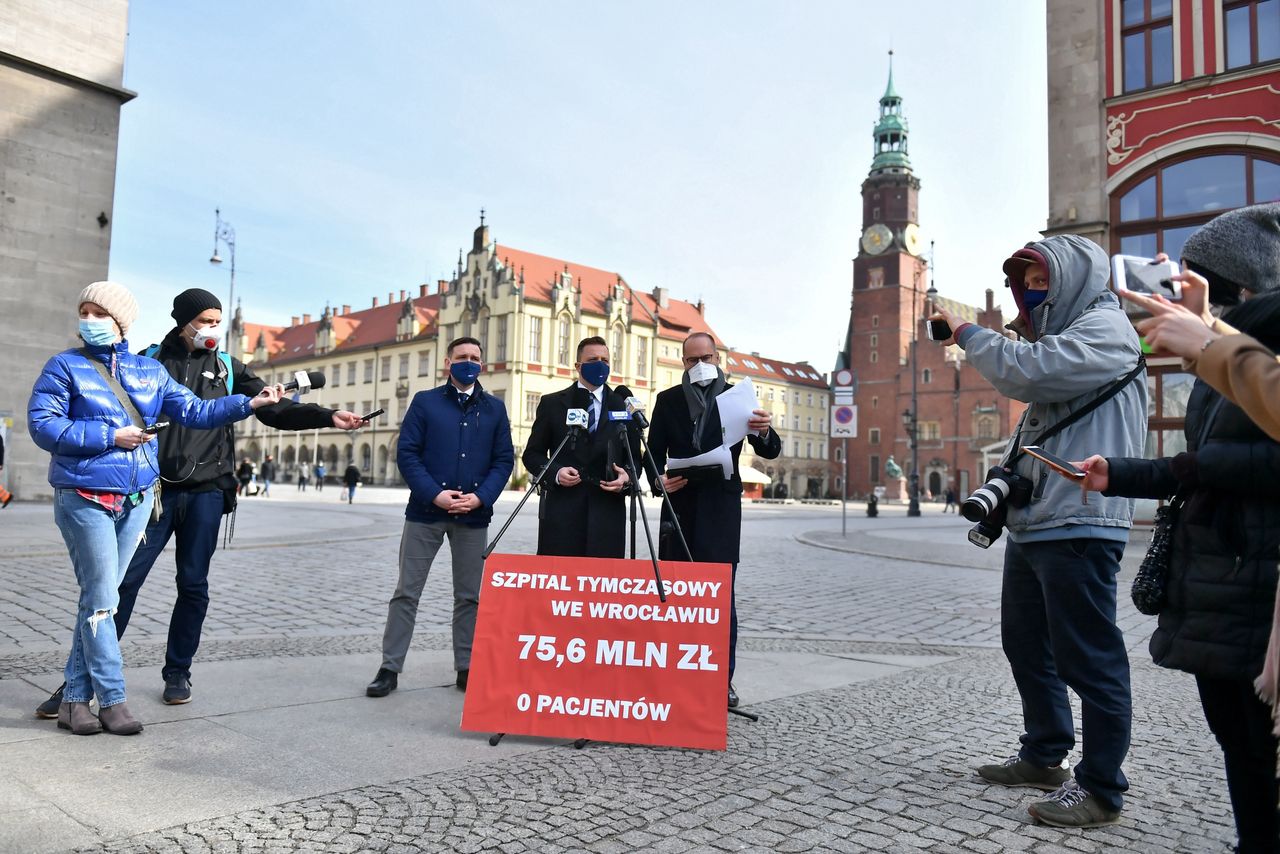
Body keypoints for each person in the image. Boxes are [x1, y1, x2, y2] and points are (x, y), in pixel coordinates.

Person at [32, 287, 362, 717]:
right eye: (204, 319)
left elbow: (271, 407)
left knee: (193, 585)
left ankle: (177, 671)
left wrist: (325, 415)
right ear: (183, 320)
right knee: (119, 585)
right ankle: (84, 681)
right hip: (154, 491)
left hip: (207, 489)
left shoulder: (227, 367)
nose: (211, 328)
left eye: (216, 320)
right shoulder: (148, 361)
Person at [931, 235, 1148, 829]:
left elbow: (1029, 373)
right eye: (1024, 283)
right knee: (1027, 643)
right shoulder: (1070, 336)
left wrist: (971, 333)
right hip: (1039, 521)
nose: (1031, 294)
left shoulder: (1105, 331)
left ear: (1073, 278)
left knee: (1089, 657)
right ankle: (1044, 752)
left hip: (1080, 519)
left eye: (1041, 281)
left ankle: (1101, 787)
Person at [1078, 291, 1280, 854]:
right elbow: (1191, 462)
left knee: (1260, 741)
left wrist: (1213, 342)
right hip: (1217, 567)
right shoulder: (1228, 348)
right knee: (1238, 738)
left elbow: (1221, 461)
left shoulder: (1247, 345)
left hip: (1255, 568)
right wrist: (1117, 474)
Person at [366, 337, 513, 697]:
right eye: (462, 357)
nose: (469, 362)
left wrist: (481, 498)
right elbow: (408, 454)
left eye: (475, 357)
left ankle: (466, 667)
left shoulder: (494, 409)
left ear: (482, 363)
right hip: (425, 512)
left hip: (473, 517)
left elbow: (504, 460)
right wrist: (435, 493)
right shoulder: (425, 402)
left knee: (469, 597)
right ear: (448, 362)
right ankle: (389, 668)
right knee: (406, 592)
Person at [644, 331, 780, 709]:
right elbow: (652, 455)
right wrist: (658, 480)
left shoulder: (738, 396)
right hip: (679, 508)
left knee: (721, 601)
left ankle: (723, 682)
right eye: (691, 359)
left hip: (720, 510)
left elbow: (770, 449)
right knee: (674, 596)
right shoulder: (667, 400)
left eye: (707, 357)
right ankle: (672, 677)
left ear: (718, 358)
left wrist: (765, 430)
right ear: (683, 362)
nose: (700, 364)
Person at [521, 336, 641, 558]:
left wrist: (626, 478)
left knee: (602, 586)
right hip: (562, 514)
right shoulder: (553, 404)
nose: (600, 364)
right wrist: (555, 472)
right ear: (578, 366)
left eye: (605, 360)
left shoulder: (623, 405)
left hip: (607, 514)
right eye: (593, 359)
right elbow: (532, 455)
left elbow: (635, 458)